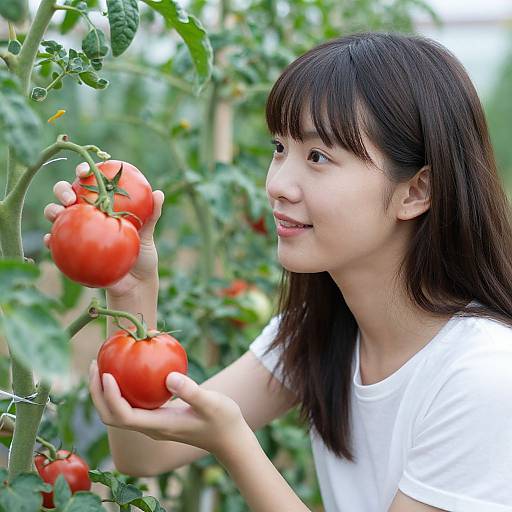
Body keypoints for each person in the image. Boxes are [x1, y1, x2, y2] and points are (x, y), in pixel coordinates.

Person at [43, 31, 512, 512]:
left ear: (416, 191)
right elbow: (145, 451)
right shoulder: (319, 331)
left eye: (318, 157)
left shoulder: (482, 375)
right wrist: (131, 289)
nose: (278, 184)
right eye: (280, 148)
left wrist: (234, 443)